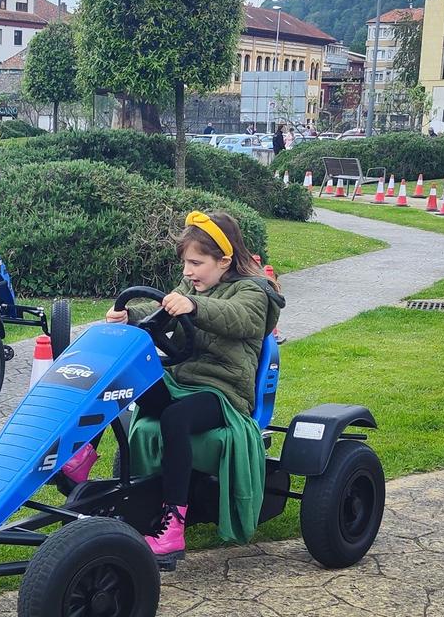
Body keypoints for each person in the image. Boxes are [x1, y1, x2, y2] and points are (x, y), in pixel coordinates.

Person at [59, 210, 285, 566]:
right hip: (181, 383)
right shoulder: (190, 286)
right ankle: (82, 454)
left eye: (196, 263)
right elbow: (160, 307)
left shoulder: (254, 292)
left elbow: (239, 317)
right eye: (185, 263)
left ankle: (173, 527)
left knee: (175, 419)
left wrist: (194, 305)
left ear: (224, 260)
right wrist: (130, 316)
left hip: (222, 394)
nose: (188, 272)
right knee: (121, 376)